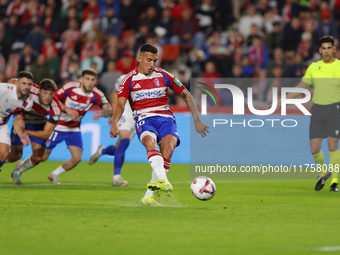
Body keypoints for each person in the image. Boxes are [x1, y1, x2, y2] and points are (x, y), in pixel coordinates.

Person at [110, 44, 209, 206]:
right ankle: (163, 180)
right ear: (139, 58)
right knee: (150, 142)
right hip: (144, 118)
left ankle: (148, 197)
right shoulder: (128, 80)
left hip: (165, 118)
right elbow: (120, 104)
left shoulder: (163, 75)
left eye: (154, 61)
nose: (152, 64)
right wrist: (115, 123)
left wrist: (197, 120)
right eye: (149, 60)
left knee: (168, 149)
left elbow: (186, 94)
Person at [280, 36, 340, 192]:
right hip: (318, 110)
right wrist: (282, 100)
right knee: (314, 149)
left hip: (335, 109)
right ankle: (324, 171)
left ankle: (334, 182)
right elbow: (302, 86)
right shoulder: (314, 67)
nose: (327, 51)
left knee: (332, 144)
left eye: (329, 48)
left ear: (334, 49)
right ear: (320, 50)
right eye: (324, 48)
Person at [42, 68, 112, 184]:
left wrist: (102, 113)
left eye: (92, 80)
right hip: (58, 125)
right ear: (81, 80)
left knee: (77, 158)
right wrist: (66, 109)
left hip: (74, 129)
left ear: (96, 81)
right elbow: (53, 99)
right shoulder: (70, 87)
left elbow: (109, 109)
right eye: (87, 79)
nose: (90, 82)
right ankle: (20, 168)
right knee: (42, 157)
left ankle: (54, 174)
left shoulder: (96, 94)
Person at [9, 79, 62, 185]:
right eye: (45, 93)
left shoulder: (56, 108)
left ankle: (18, 171)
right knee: (15, 155)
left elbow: (46, 134)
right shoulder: (30, 89)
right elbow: (13, 82)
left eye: (50, 94)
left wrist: (27, 132)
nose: (47, 97)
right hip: (21, 121)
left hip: (38, 125)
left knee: (38, 157)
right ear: (39, 91)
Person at [88, 74, 134, 187]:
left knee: (118, 148)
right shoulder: (125, 78)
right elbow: (115, 92)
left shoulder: (152, 79)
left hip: (137, 117)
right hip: (125, 113)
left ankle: (101, 151)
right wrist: (115, 113)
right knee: (124, 141)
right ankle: (116, 177)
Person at [0, 71, 34, 172]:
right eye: (23, 83)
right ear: (18, 83)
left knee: (4, 153)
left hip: (2, 124)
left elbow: (17, 120)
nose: (26, 87)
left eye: (29, 84)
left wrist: (22, 135)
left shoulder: (29, 102)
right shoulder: (4, 89)